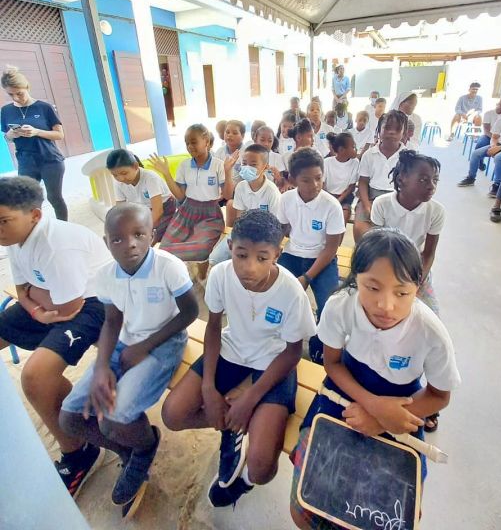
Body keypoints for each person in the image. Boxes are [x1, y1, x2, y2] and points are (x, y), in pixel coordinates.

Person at [289, 229, 461, 530]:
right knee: (306, 507)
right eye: (372, 287)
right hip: (343, 391)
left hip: (403, 406)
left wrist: (382, 420)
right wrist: (374, 406)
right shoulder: (340, 305)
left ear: (418, 287)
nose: (386, 305)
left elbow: (439, 396)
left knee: (393, 514)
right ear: (356, 279)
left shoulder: (430, 332)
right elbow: (332, 363)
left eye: (402, 293)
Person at [161, 210, 317, 508]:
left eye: (262, 257)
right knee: (173, 415)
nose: (249, 267)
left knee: (261, 468)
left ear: (277, 255)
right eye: (241, 255)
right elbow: (214, 327)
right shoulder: (221, 274)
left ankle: (242, 478)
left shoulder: (290, 292)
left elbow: (292, 352)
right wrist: (209, 387)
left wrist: (249, 399)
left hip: (274, 362)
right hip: (232, 349)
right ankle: (231, 429)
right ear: (230, 247)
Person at [59, 203, 198, 505]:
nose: (130, 244)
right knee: (70, 417)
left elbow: (190, 312)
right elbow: (112, 321)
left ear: (153, 235)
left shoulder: (168, 266)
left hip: (165, 342)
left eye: (138, 234)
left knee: (114, 418)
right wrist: (101, 367)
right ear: (106, 242)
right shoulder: (105, 275)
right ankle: (127, 450)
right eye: (118, 239)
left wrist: (145, 346)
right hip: (124, 341)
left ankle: (145, 447)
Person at [0, 176, 110, 495]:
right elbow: (21, 289)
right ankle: (66, 411)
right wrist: (36, 310)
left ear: (34, 215)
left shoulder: (56, 244)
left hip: (95, 304)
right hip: (52, 301)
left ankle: (78, 452)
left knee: (35, 376)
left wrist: (34, 297)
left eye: (4, 221)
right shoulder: (16, 239)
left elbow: (69, 307)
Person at [277, 148, 345, 363]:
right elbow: (280, 230)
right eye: (306, 180)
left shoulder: (331, 206)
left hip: (323, 258)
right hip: (292, 254)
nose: (315, 184)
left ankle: (319, 345)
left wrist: (307, 277)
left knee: (329, 305)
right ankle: (281, 339)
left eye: (318, 178)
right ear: (293, 179)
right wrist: (270, 256)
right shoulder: (286, 200)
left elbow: (331, 248)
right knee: (277, 295)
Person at [149, 124, 236, 278]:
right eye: (187, 143)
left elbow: (228, 195)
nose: (190, 146)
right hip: (186, 212)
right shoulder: (184, 165)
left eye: (194, 142)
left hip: (210, 215)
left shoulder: (218, 165)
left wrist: (228, 172)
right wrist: (166, 174)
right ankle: (179, 275)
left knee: (201, 249)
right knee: (164, 249)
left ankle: (201, 275)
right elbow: (180, 196)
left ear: (206, 142)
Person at [371, 151, 443, 317]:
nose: (431, 186)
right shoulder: (382, 204)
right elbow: (375, 248)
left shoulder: (436, 211)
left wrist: (415, 283)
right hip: (384, 264)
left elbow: (428, 254)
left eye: (435, 180)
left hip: (416, 269)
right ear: (401, 179)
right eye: (423, 180)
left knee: (431, 317)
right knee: (372, 309)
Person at [1, 66, 68, 220]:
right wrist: (10, 135)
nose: (16, 98)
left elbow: (59, 135)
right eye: (11, 94)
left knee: (54, 198)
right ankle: (35, 228)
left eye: (19, 93)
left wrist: (37, 132)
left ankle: (64, 227)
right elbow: (7, 138)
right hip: (26, 162)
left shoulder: (44, 107)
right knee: (29, 201)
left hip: (50, 160)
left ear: (27, 87)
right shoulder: (5, 111)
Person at [208, 144, 281, 268]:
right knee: (215, 259)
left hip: (264, 236)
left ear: (265, 167)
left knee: (251, 264)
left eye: (253, 164)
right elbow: (240, 218)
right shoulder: (241, 187)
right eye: (244, 163)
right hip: (244, 232)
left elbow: (275, 225)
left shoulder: (271, 191)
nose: (247, 167)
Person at [353, 110, 407, 241]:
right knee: (360, 227)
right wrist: (367, 205)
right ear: (378, 130)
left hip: (397, 199)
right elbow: (363, 182)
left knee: (396, 235)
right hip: (371, 197)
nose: (391, 132)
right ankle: (363, 252)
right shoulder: (369, 154)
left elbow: (408, 186)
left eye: (397, 129)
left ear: (404, 133)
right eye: (387, 128)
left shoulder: (407, 156)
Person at [106, 149, 176, 244]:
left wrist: (141, 231)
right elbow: (120, 210)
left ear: (135, 166)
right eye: (115, 175)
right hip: (142, 210)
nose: (120, 178)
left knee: (148, 238)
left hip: (164, 209)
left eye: (124, 173)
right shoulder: (118, 183)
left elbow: (158, 211)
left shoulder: (150, 178)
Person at [324, 132, 360, 223]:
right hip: (327, 196)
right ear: (341, 150)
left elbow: (351, 187)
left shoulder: (355, 162)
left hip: (345, 198)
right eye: (353, 147)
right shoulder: (327, 162)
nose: (356, 149)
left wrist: (339, 200)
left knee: (344, 215)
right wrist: (331, 200)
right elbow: (322, 185)